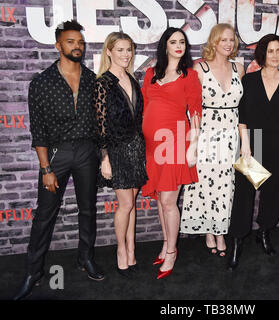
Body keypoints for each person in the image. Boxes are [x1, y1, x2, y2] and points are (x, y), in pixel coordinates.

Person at [14, 20, 104, 300]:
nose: (76, 46)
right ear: (58, 45)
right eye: (70, 42)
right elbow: (38, 129)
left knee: (88, 209)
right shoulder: (41, 82)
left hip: (87, 152)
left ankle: (85, 258)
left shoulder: (92, 80)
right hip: (57, 154)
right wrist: (46, 169)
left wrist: (102, 154)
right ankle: (33, 272)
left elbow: (101, 122)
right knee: (44, 215)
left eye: (79, 42)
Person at [226, 34, 279, 271]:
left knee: (271, 195)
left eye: (278, 51)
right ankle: (237, 241)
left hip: (277, 145)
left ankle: (265, 233)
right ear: (262, 53)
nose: (275, 55)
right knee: (244, 197)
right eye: (270, 51)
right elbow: (242, 116)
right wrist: (245, 144)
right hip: (253, 142)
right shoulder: (248, 81)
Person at [141, 27, 202, 279]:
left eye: (182, 42)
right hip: (152, 145)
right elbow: (144, 107)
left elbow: (196, 112)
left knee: (168, 201)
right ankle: (166, 243)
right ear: (164, 45)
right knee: (160, 198)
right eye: (173, 41)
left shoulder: (189, 76)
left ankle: (172, 251)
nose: (179, 45)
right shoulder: (150, 73)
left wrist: (193, 145)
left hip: (175, 141)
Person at [180, 23, 244, 257]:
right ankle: (210, 231)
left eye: (231, 40)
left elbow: (243, 108)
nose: (228, 44)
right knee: (205, 185)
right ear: (214, 42)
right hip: (207, 133)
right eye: (223, 40)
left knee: (226, 187)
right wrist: (193, 141)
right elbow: (193, 107)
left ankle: (220, 231)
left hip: (231, 135)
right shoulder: (199, 68)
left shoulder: (239, 68)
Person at [94, 32, 148, 278]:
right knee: (125, 204)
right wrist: (104, 158)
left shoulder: (132, 78)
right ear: (109, 51)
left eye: (129, 50)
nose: (125, 55)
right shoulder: (102, 83)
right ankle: (120, 252)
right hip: (115, 150)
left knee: (131, 203)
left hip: (136, 147)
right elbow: (100, 124)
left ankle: (132, 249)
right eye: (120, 50)